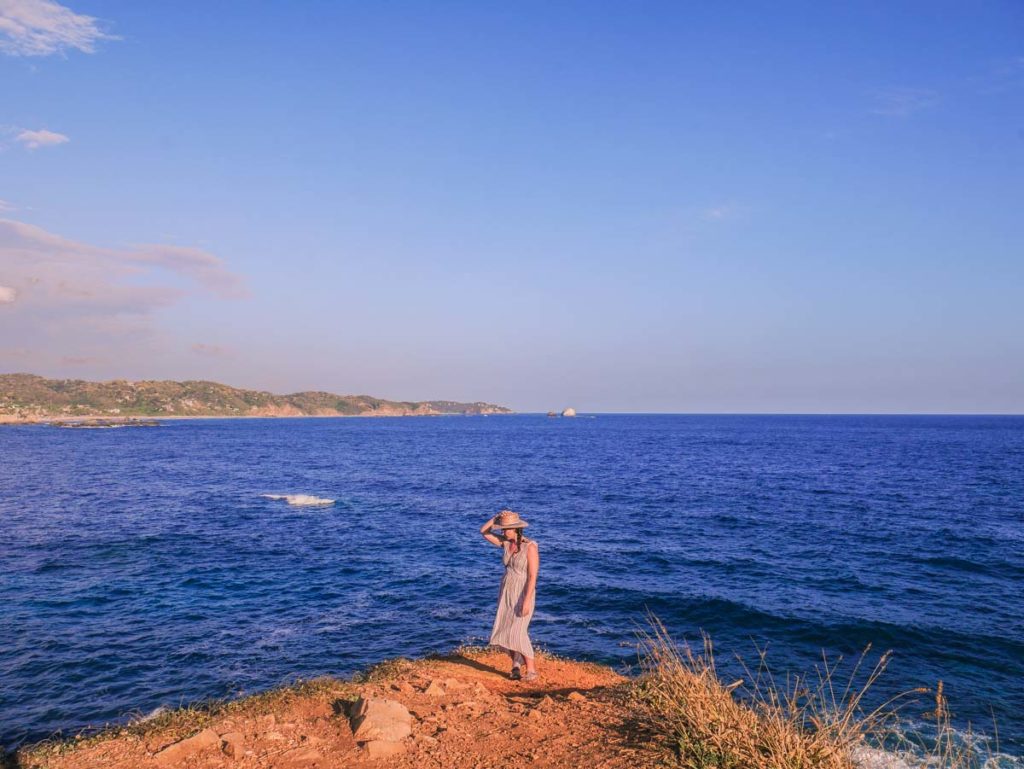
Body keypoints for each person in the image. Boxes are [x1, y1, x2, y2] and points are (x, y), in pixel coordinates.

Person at [480, 509, 540, 681]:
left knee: (519, 630)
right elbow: (483, 532)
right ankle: (515, 664)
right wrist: (495, 518)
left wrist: (527, 600)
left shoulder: (530, 547)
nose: (502, 532)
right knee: (506, 628)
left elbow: (532, 576)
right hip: (506, 589)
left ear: (516, 529)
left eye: (505, 529)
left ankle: (531, 670)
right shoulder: (506, 544)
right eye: (502, 529)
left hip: (522, 591)